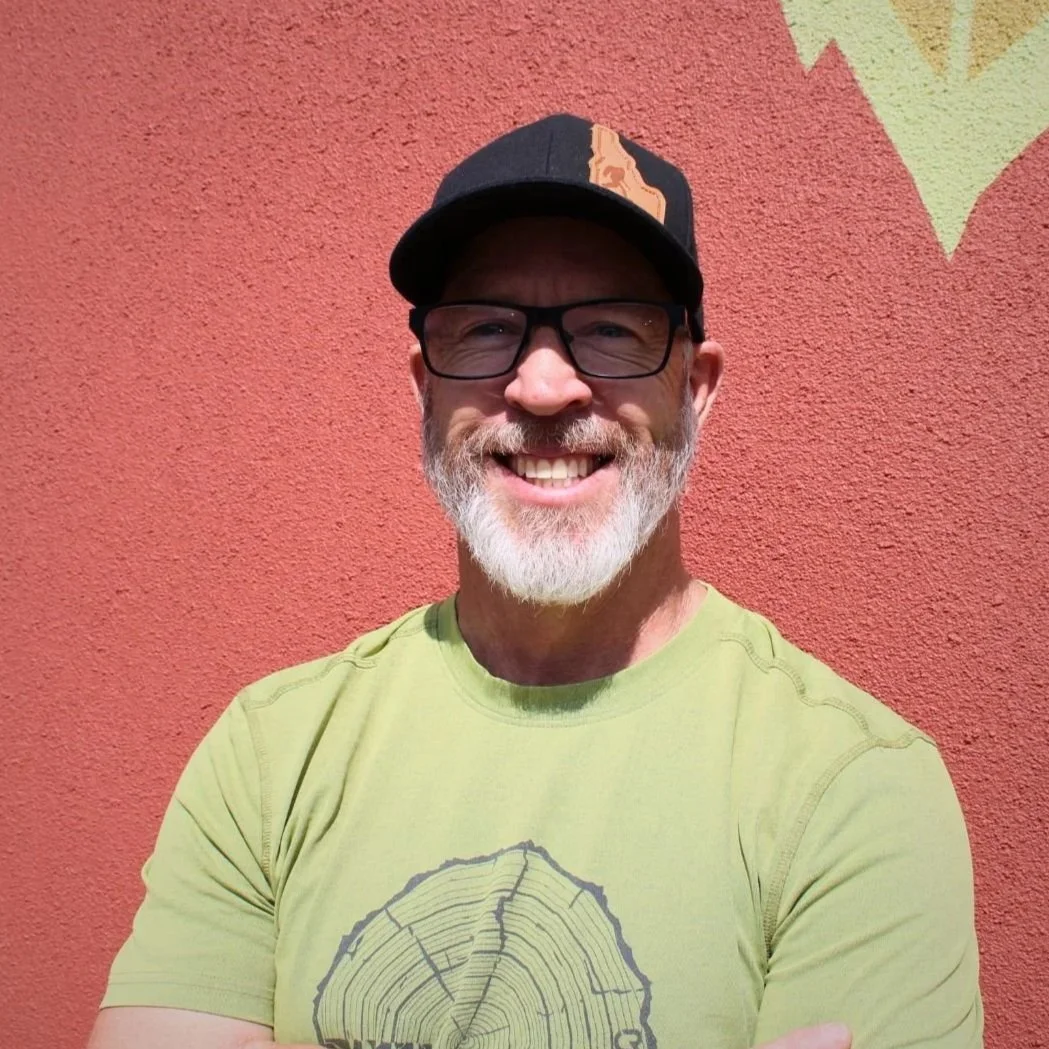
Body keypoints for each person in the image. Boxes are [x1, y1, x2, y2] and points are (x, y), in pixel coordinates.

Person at [87, 114, 983, 1049]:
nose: (544, 388)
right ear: (421, 390)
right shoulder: (272, 753)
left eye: (608, 327)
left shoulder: (850, 785)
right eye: (484, 329)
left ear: (696, 387)